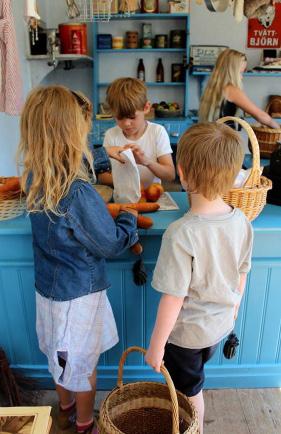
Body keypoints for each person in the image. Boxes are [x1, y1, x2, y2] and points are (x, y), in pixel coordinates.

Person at [17, 85, 139, 434]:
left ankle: (66, 408)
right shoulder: (79, 191)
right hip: (79, 299)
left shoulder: (35, 176)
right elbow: (110, 244)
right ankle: (86, 424)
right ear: (71, 135)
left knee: (59, 357)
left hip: (49, 293)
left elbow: (80, 160)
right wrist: (128, 217)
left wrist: (106, 154)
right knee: (84, 365)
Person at [145, 122, 254, 433]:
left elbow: (173, 297)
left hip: (186, 337)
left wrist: (156, 344)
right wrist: (233, 307)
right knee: (193, 380)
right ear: (234, 174)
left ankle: (195, 428)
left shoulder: (181, 234)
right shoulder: (241, 221)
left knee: (189, 392)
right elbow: (243, 271)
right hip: (219, 326)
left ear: (182, 171)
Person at [98, 77, 175, 188]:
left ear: (146, 107)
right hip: (122, 199)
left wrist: (146, 161)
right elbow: (103, 176)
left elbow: (170, 175)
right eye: (119, 118)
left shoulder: (157, 132)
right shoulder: (111, 135)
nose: (126, 124)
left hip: (151, 198)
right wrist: (129, 184)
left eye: (132, 117)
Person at [199, 48, 279, 129]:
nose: (242, 76)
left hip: (213, 136)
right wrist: (278, 128)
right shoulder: (231, 90)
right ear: (232, 71)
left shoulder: (213, 88)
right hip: (225, 137)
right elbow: (260, 115)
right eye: (240, 72)